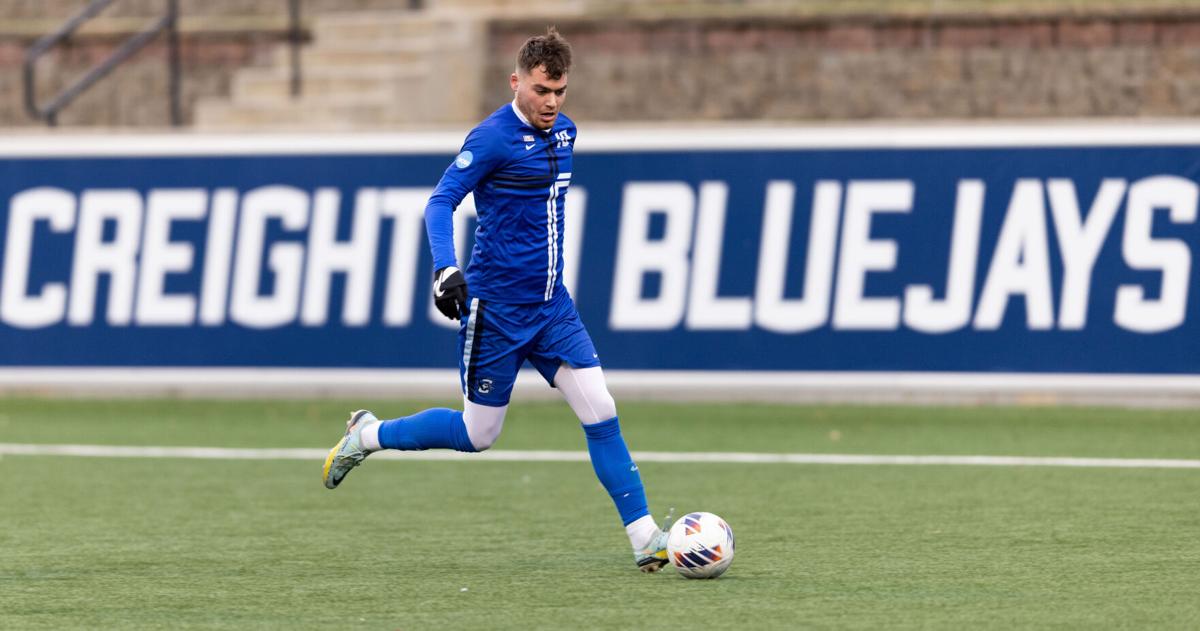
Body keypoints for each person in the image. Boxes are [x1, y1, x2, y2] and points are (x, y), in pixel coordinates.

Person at [322, 27, 670, 572]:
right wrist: (446, 268)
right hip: (497, 312)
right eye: (541, 90)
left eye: (559, 91)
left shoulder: (566, 133)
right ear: (516, 82)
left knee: (601, 409)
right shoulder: (490, 139)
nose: (551, 102)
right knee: (478, 434)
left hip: (552, 308)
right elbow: (440, 203)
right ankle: (368, 435)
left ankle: (645, 537)